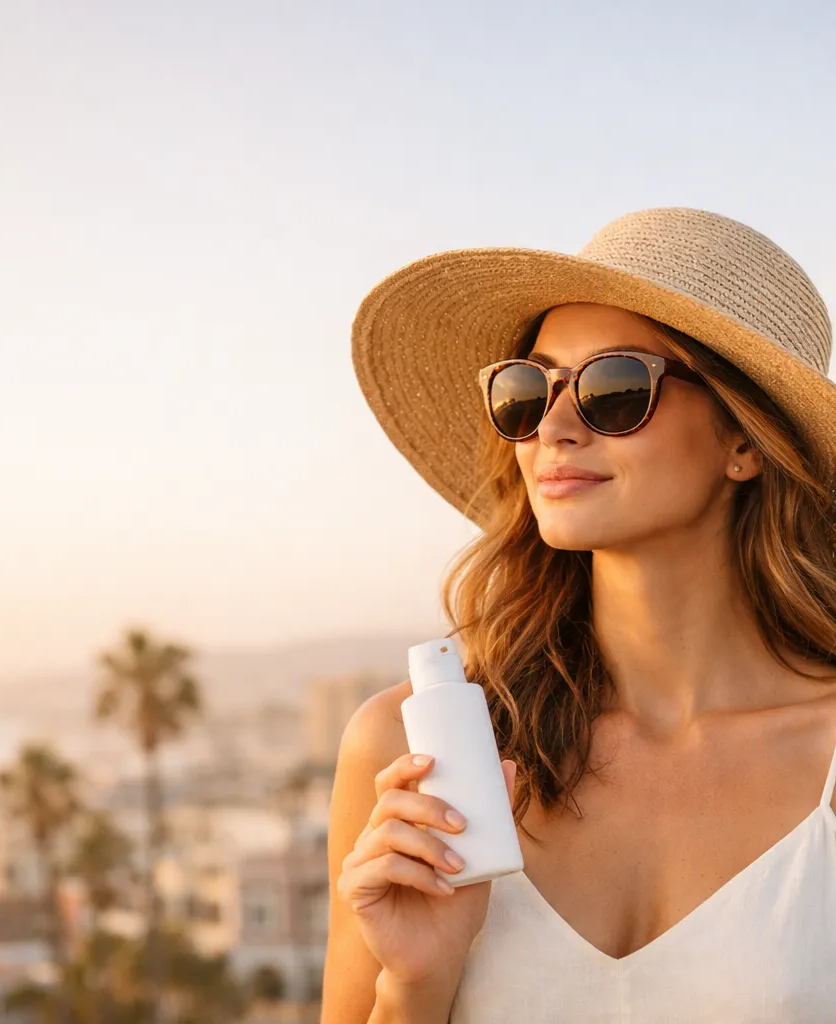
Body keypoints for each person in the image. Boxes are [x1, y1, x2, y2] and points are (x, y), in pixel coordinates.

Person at [321, 208, 836, 1023]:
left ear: (744, 441)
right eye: (528, 391)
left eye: (615, 388)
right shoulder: (415, 751)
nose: (553, 430)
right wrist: (413, 986)